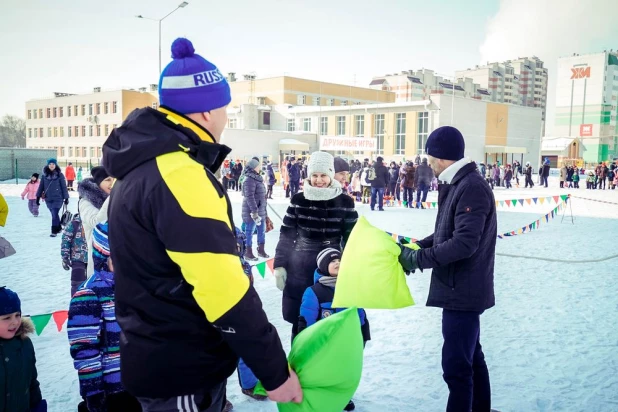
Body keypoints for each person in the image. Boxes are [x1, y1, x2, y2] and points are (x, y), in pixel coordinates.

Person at [102, 37, 301, 411]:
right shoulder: (180, 173)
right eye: (225, 108)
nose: (226, 118)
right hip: (180, 371)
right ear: (207, 112)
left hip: (160, 359)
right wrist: (274, 373)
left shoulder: (143, 167)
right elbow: (222, 289)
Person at [398, 126, 496, 411]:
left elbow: (464, 243)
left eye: (430, 158)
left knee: (456, 367)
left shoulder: (471, 187)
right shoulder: (457, 184)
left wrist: (418, 260)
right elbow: (445, 234)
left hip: (463, 291)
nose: (428, 164)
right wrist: (417, 248)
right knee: (471, 358)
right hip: (458, 288)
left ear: (441, 158)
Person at [274, 151, 358, 342]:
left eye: (323, 175)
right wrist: (280, 265)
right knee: (302, 322)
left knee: (331, 322)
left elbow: (352, 238)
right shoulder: (298, 200)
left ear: (330, 174)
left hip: (332, 269)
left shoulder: (345, 202)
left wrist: (354, 266)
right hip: (300, 269)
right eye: (314, 175)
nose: (318, 180)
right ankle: (298, 366)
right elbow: (287, 235)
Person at [68, 223, 142, 412]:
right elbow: (84, 348)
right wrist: (93, 392)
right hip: (113, 391)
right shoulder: (89, 294)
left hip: (142, 383)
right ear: (103, 258)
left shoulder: (137, 288)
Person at [298, 248, 370, 412]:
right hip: (324, 342)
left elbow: (358, 312)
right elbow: (307, 318)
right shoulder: (314, 292)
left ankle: (343, 396)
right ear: (323, 266)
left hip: (346, 341)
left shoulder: (349, 287)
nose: (337, 263)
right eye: (332, 261)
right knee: (325, 372)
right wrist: (307, 339)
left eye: (339, 260)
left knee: (343, 370)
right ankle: (322, 396)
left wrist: (361, 331)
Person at [0, 287, 47, 412]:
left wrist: (38, 407)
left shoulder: (25, 344)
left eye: (17, 315)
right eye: (7, 318)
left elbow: (32, 382)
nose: (15, 322)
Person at [78, 166, 113, 279]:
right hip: (98, 264)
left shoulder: (119, 200)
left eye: (114, 179)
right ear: (98, 183)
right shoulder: (85, 202)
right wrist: (113, 197)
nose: (112, 183)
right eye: (108, 180)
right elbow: (97, 222)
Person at [242, 157, 269, 260]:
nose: (259, 167)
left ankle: (261, 250)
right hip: (251, 211)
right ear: (253, 167)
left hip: (260, 210)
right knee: (249, 231)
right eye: (258, 166)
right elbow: (249, 196)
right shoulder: (248, 179)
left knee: (261, 231)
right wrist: (254, 211)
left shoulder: (257, 178)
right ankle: (248, 252)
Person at [36, 158, 69, 237]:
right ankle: (59, 227)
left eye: (53, 164)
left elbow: (64, 187)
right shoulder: (44, 176)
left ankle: (54, 231)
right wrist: (37, 197)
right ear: (48, 165)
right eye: (50, 164)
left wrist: (66, 198)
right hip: (48, 199)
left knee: (54, 213)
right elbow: (41, 187)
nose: (51, 166)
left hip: (58, 198)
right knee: (54, 214)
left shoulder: (60, 175)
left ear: (55, 165)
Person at [61, 213, 88, 297]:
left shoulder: (97, 222)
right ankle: (76, 305)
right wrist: (65, 257)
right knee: (77, 285)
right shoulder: (74, 224)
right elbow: (65, 240)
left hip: (95, 260)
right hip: (77, 260)